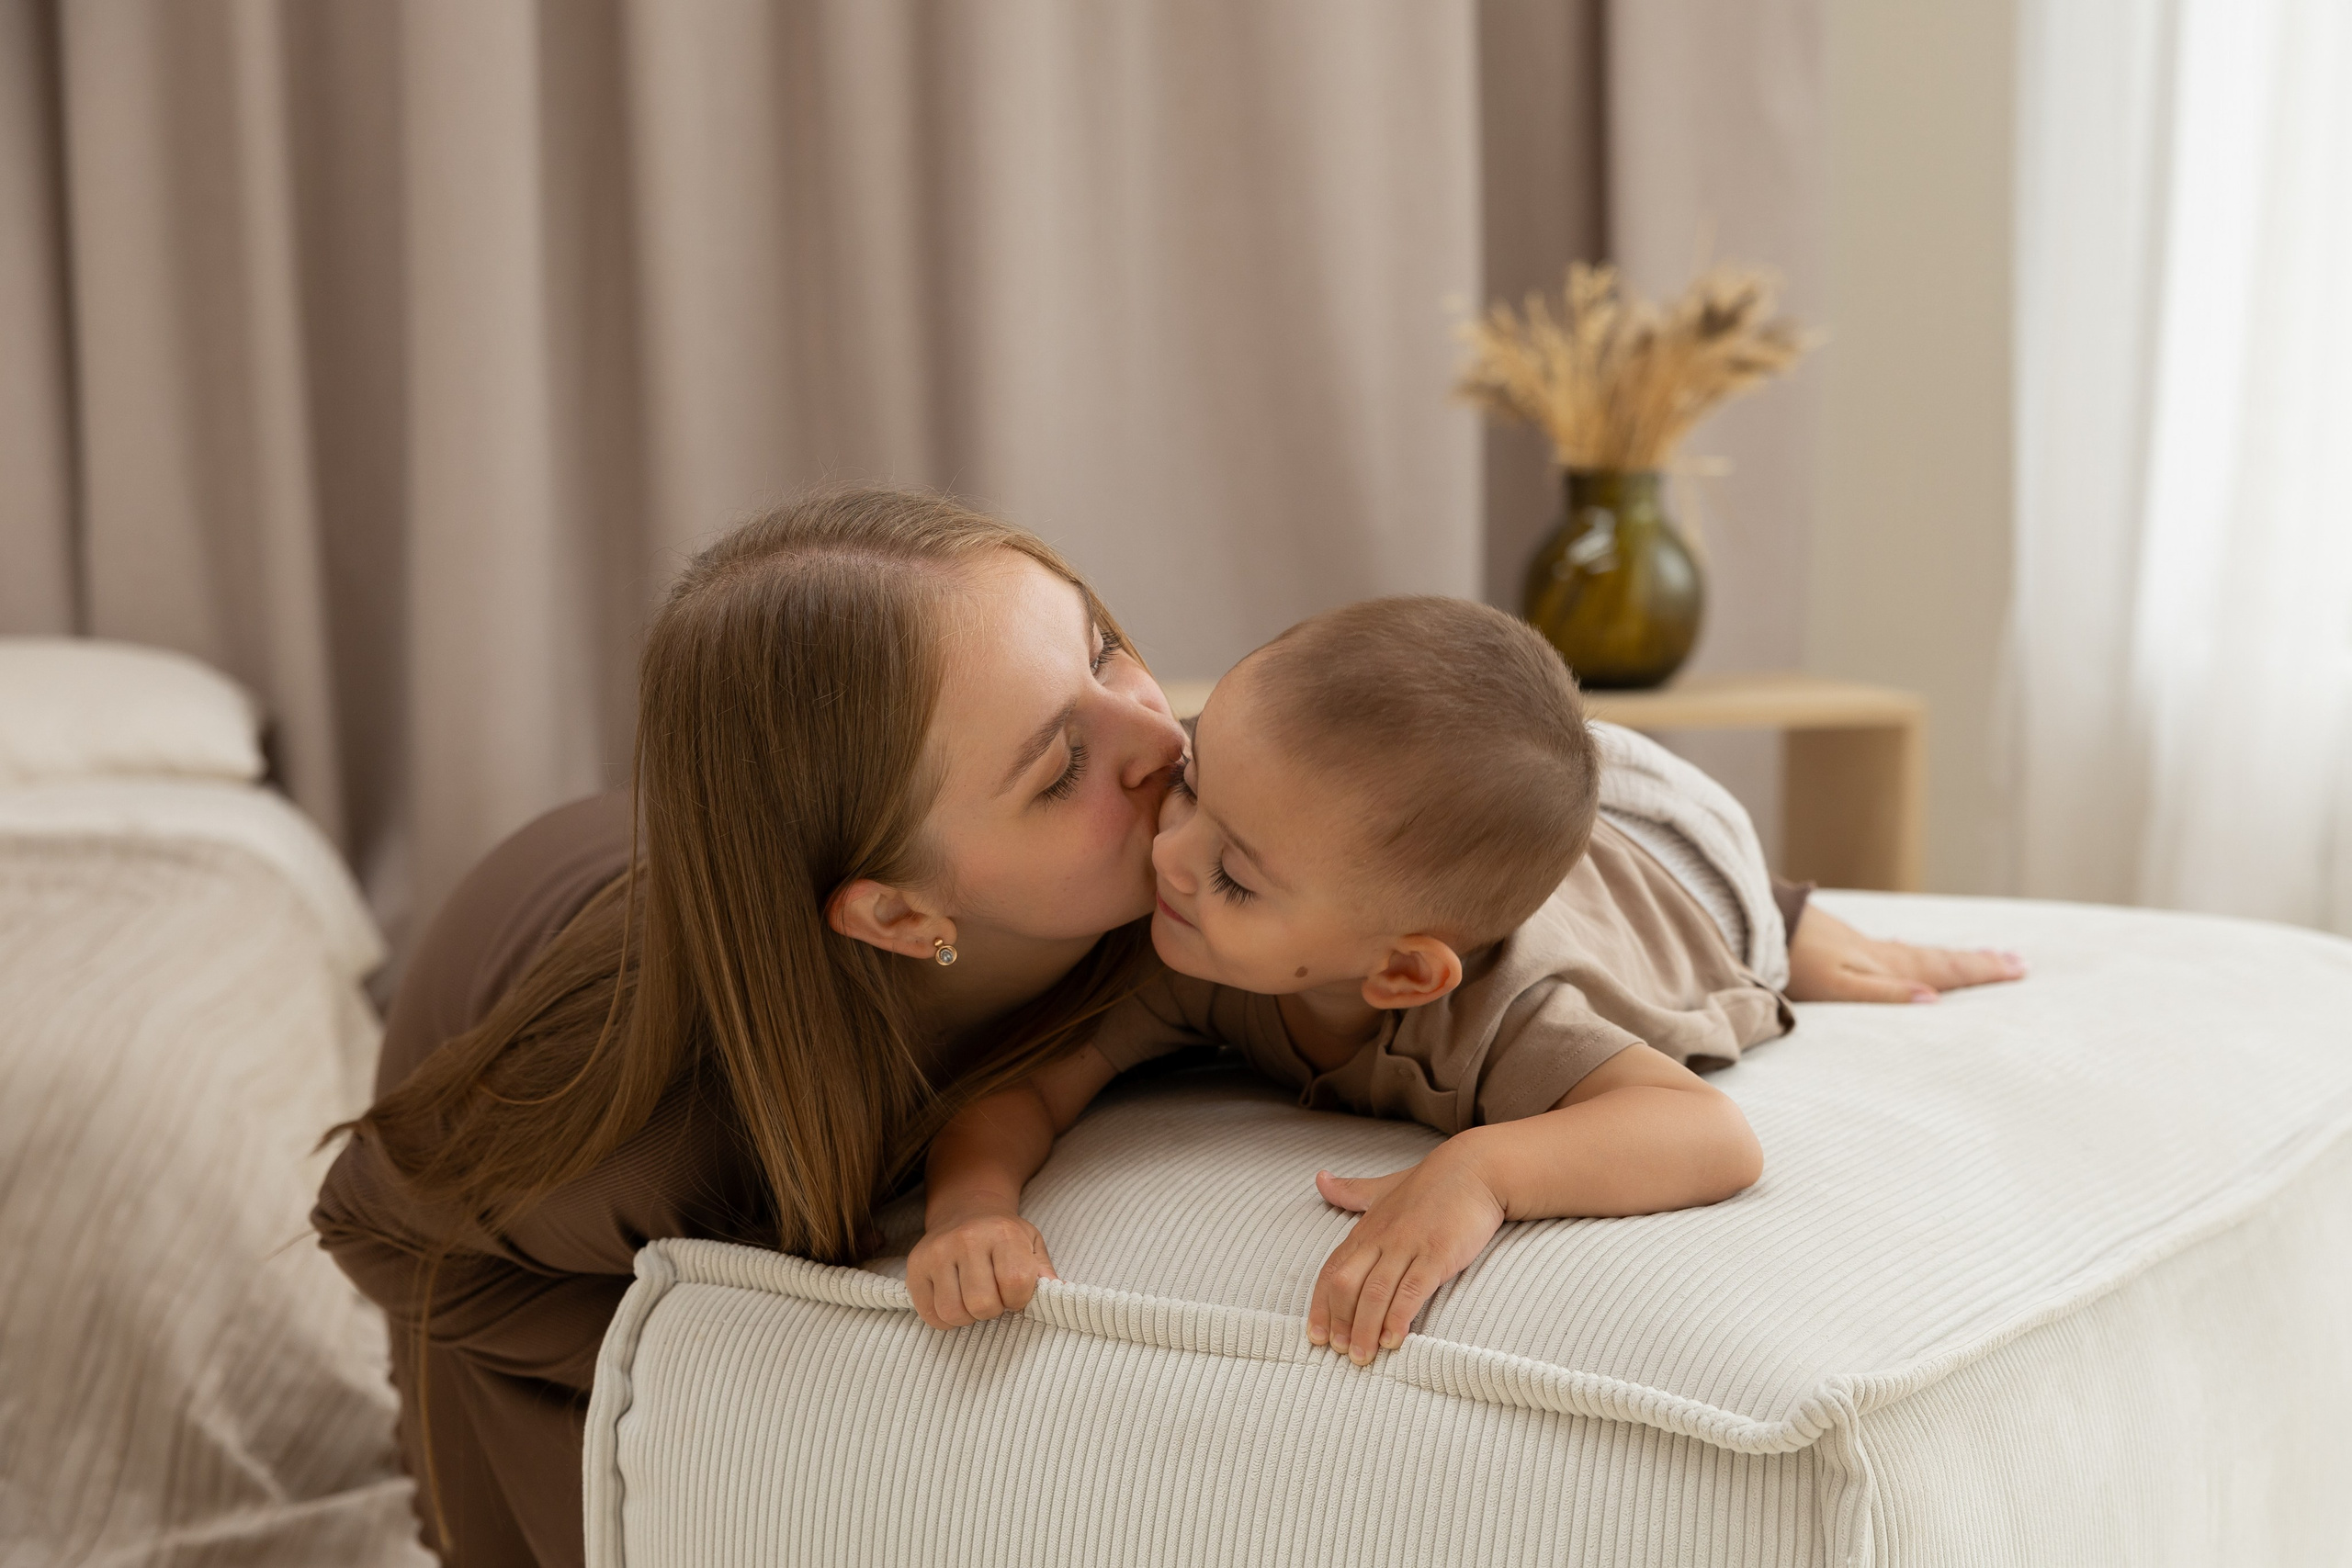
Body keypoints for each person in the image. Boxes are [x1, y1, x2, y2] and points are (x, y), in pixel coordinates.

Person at [315, 488, 2018, 1568]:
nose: (1152, 734)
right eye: (1060, 762)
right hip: (545, 937)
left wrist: (1776, 913)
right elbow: (384, 1232)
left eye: (1112, 652)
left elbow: (1465, 822)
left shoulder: (1174, 864)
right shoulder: (665, 1110)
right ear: (907, 914)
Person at [907, 596, 2028, 1366]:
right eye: (1196, 782)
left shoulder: (1511, 1021)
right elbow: (1033, 1086)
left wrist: (1483, 1170)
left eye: (1236, 876)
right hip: (1527, 811)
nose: (1168, 856)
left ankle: (1803, 918)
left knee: (1792, 945)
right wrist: (970, 1205)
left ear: (1402, 974)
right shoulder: (1200, 944)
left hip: (1679, 856)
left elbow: (1709, 1136)